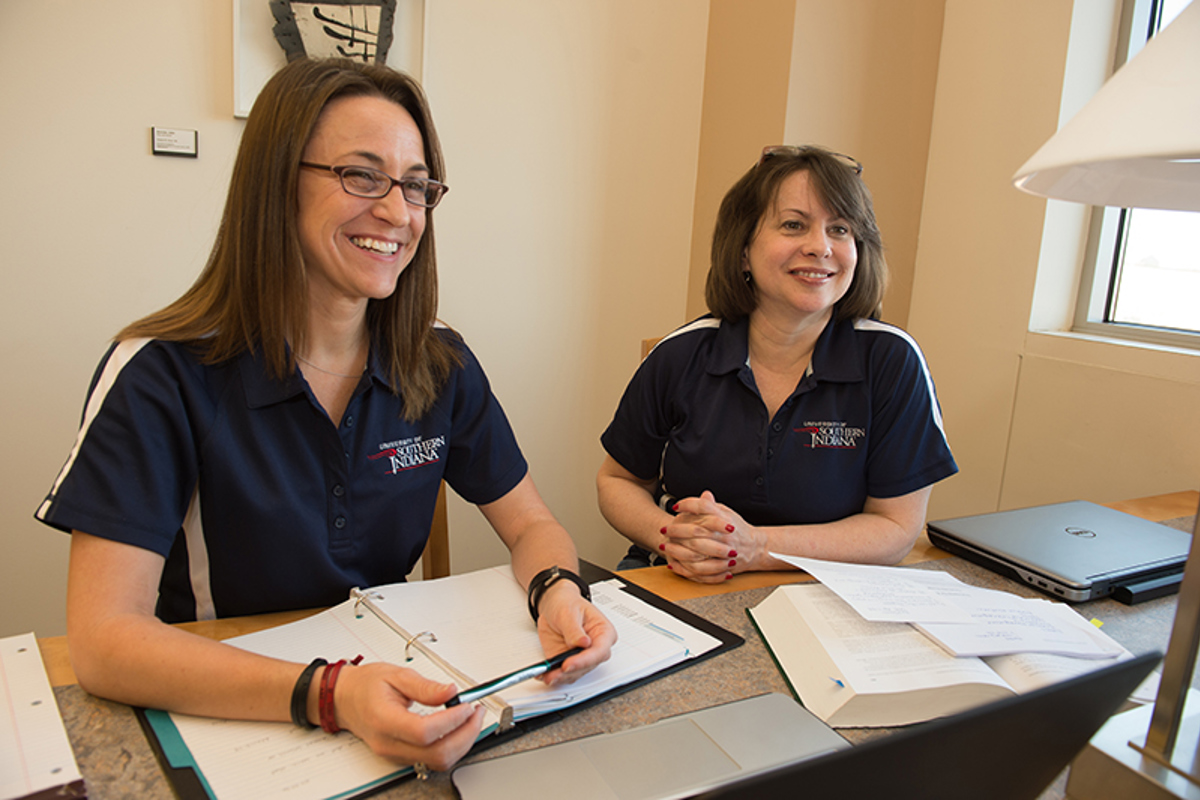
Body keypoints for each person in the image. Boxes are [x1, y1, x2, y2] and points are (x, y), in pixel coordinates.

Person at [35, 57, 615, 772]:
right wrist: (332, 695)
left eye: (415, 185)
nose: (399, 213)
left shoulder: (439, 363)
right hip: (233, 714)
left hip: (395, 697)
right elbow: (103, 640)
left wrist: (557, 589)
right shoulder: (160, 373)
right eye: (361, 176)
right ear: (278, 184)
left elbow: (530, 523)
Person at [597, 145, 958, 583]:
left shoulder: (893, 361)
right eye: (793, 225)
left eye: (840, 229)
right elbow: (619, 481)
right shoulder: (680, 354)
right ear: (744, 249)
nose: (821, 247)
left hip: (825, 586)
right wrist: (675, 537)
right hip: (683, 575)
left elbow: (897, 527)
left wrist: (756, 548)